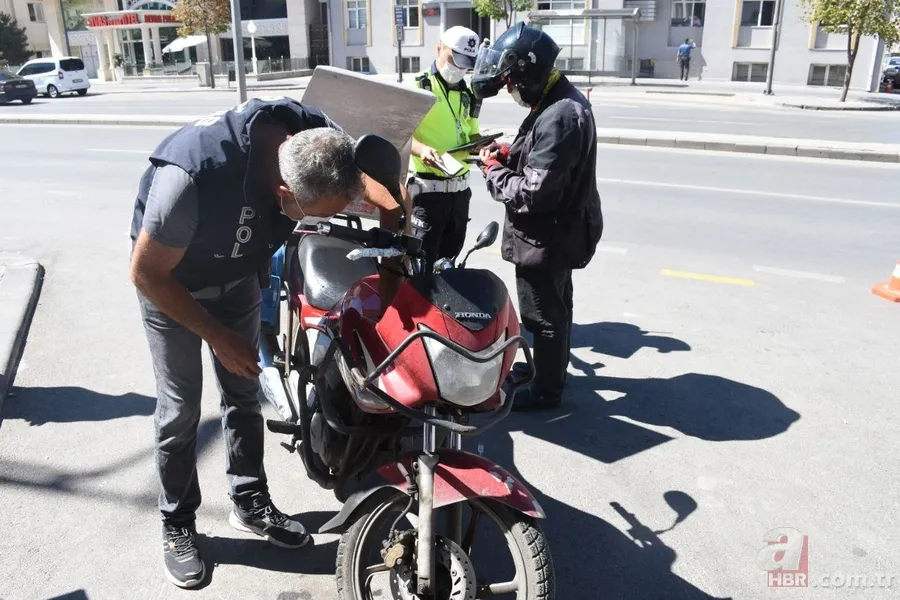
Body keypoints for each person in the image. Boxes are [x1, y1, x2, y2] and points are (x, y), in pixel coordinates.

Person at [128, 97, 407, 588]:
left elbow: (389, 196)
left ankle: (249, 499)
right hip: (173, 287)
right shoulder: (193, 175)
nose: (314, 223)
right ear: (283, 192)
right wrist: (219, 338)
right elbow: (146, 273)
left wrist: (389, 285)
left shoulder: (320, 141)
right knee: (180, 410)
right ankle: (178, 522)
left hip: (236, 278)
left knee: (243, 395)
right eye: (313, 215)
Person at [471, 22, 603, 412]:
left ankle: (546, 390)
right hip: (558, 233)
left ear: (528, 74)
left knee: (543, 316)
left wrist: (492, 170)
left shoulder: (559, 115)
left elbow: (533, 192)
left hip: (546, 239)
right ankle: (552, 372)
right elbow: (542, 158)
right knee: (558, 308)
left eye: (511, 82)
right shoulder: (555, 100)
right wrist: (508, 153)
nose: (510, 89)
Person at [409, 25, 482, 264]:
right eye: (454, 60)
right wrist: (421, 149)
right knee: (422, 264)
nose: (459, 69)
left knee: (449, 263)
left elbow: (471, 132)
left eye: (466, 65)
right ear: (439, 48)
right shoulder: (417, 87)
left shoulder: (468, 92)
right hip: (428, 194)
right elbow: (397, 134)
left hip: (460, 195)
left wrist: (480, 145)